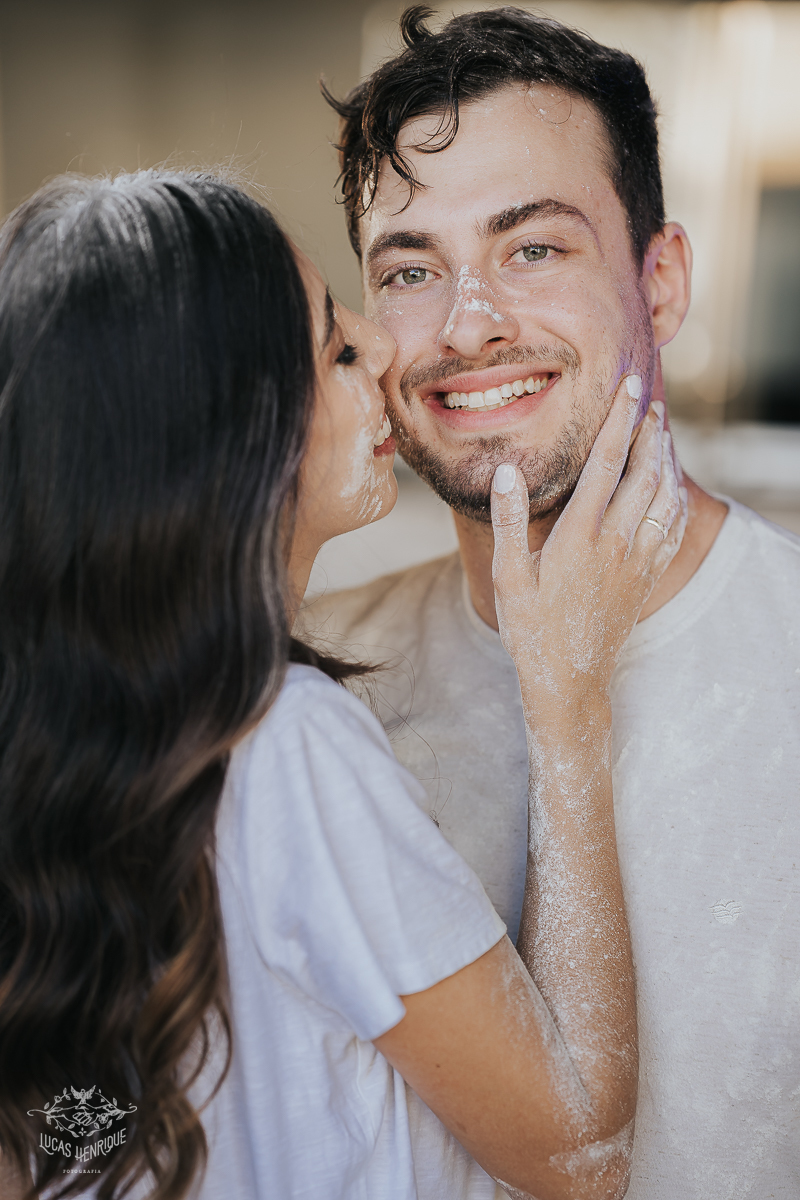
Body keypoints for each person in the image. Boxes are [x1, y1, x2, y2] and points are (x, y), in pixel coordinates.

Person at [0, 170, 683, 1200]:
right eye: (330, 344)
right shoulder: (283, 746)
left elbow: (65, 1124)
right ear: (223, 430)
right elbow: (578, 1151)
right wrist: (566, 698)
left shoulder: (74, 726)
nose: (381, 343)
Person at [305, 8, 800, 1199]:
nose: (468, 323)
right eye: (411, 269)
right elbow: (116, 1101)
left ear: (661, 280)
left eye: (532, 248)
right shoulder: (308, 695)